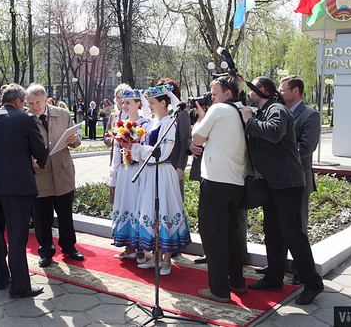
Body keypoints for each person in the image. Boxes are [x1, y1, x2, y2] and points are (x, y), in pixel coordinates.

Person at [239, 76, 323, 305]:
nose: (248, 95)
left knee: (293, 234)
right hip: (273, 183)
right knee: (273, 233)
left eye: (251, 91)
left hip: (287, 183)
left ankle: (313, 282)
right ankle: (274, 277)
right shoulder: (264, 111)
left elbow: (274, 133)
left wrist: (249, 121)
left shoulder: (277, 109)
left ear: (262, 91)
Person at [0, 83, 48, 298]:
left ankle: (1, 279)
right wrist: (42, 158)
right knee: (16, 236)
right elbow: (40, 151)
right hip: (17, 188)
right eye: (24, 102)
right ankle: (20, 286)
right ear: (17, 101)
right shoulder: (25, 119)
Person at [191, 76, 247, 303]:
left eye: (215, 93)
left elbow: (196, 137)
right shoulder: (243, 110)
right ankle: (237, 281)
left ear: (228, 93)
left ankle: (219, 290)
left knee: (213, 236)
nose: (211, 97)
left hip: (215, 182)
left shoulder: (218, 109)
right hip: (237, 182)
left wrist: (202, 116)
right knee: (232, 235)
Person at [132, 81, 191, 276]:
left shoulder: (169, 123)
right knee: (152, 211)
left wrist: (139, 149)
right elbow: (146, 151)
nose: (149, 106)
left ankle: (166, 259)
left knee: (164, 210)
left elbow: (163, 152)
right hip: (150, 172)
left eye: (152, 102)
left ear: (164, 103)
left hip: (163, 171)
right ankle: (155, 257)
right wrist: (132, 147)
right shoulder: (153, 123)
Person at [25, 84, 84, 266]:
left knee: (65, 213)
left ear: (45, 99)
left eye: (38, 102)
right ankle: (46, 251)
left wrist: (75, 140)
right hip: (39, 174)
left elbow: (76, 140)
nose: (34, 107)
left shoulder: (63, 114)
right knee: (42, 216)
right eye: (30, 103)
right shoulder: (24, 120)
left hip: (62, 172)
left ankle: (68, 246)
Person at [276, 75, 321, 284]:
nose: (280, 92)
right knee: (279, 226)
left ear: (295, 91)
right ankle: (276, 265)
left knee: (298, 228)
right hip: (279, 181)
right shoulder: (279, 112)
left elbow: (307, 147)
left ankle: (299, 271)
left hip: (299, 180)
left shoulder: (310, 115)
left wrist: (279, 153)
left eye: (283, 89)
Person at [109, 89, 149, 263]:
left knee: (138, 206)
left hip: (139, 171)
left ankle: (140, 248)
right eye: (123, 102)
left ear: (138, 104)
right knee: (125, 204)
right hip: (125, 171)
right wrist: (113, 176)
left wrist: (134, 147)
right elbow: (117, 153)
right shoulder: (122, 124)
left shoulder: (146, 124)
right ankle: (129, 247)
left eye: (128, 102)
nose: (124, 106)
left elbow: (148, 149)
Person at [103, 84, 131, 203]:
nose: (121, 101)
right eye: (118, 97)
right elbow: (106, 137)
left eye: (123, 97)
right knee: (116, 195)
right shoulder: (114, 116)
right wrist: (115, 140)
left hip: (130, 159)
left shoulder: (134, 115)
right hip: (115, 158)